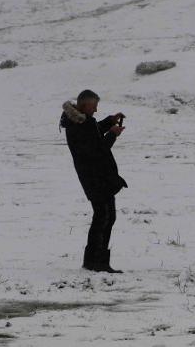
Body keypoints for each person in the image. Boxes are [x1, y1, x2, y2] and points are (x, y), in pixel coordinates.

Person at [60, 90, 128, 273]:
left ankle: (96, 261)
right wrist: (113, 134)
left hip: (93, 176)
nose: (96, 109)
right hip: (96, 177)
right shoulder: (82, 122)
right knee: (104, 216)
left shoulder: (78, 121)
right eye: (94, 105)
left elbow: (92, 133)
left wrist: (109, 121)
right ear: (84, 105)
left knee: (105, 216)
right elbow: (97, 150)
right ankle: (96, 262)